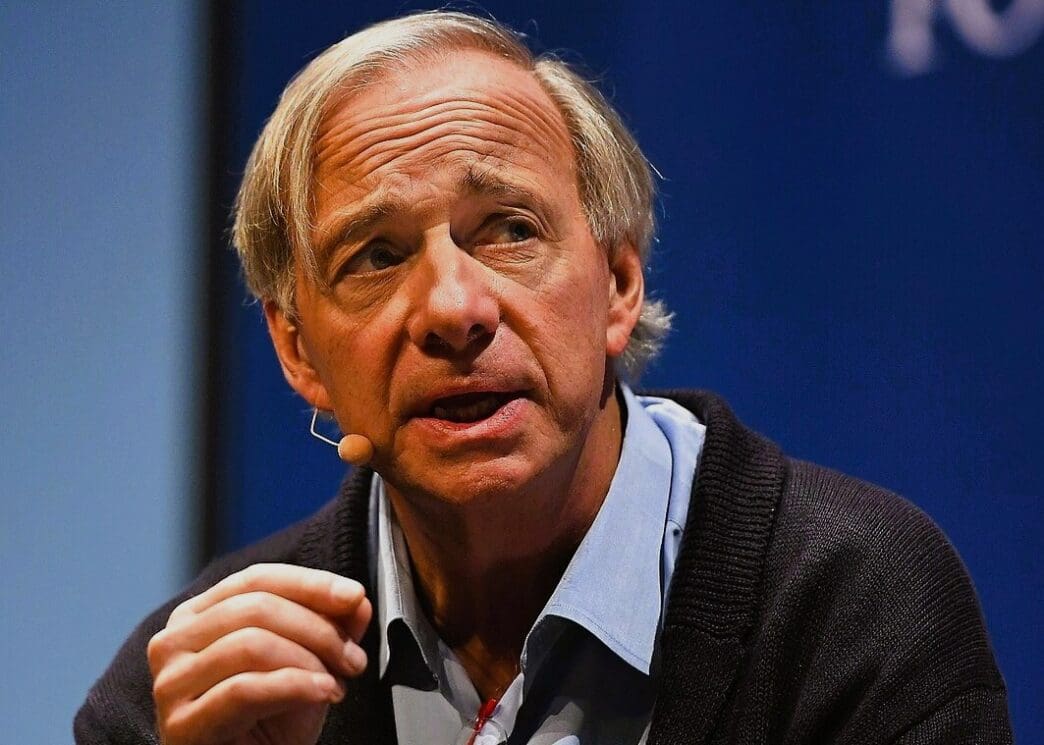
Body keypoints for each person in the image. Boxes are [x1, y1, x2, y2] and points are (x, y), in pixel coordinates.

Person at [75, 11, 1012, 745]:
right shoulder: (197, 693)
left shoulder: (854, 608)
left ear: (618, 283)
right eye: (375, 254)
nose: (452, 306)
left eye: (510, 229)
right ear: (297, 351)